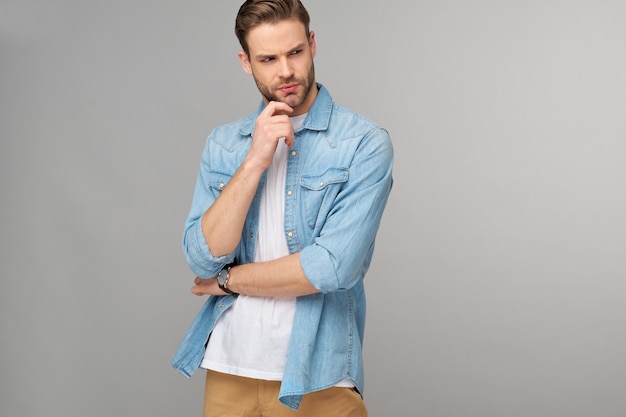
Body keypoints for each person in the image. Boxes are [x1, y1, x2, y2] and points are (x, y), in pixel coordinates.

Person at [171, 0, 393, 415]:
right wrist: (255, 159)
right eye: (268, 59)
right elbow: (202, 257)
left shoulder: (363, 143)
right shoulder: (225, 145)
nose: (286, 71)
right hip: (228, 367)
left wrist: (229, 280)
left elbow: (331, 268)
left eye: (294, 52)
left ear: (312, 44)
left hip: (318, 374)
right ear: (245, 62)